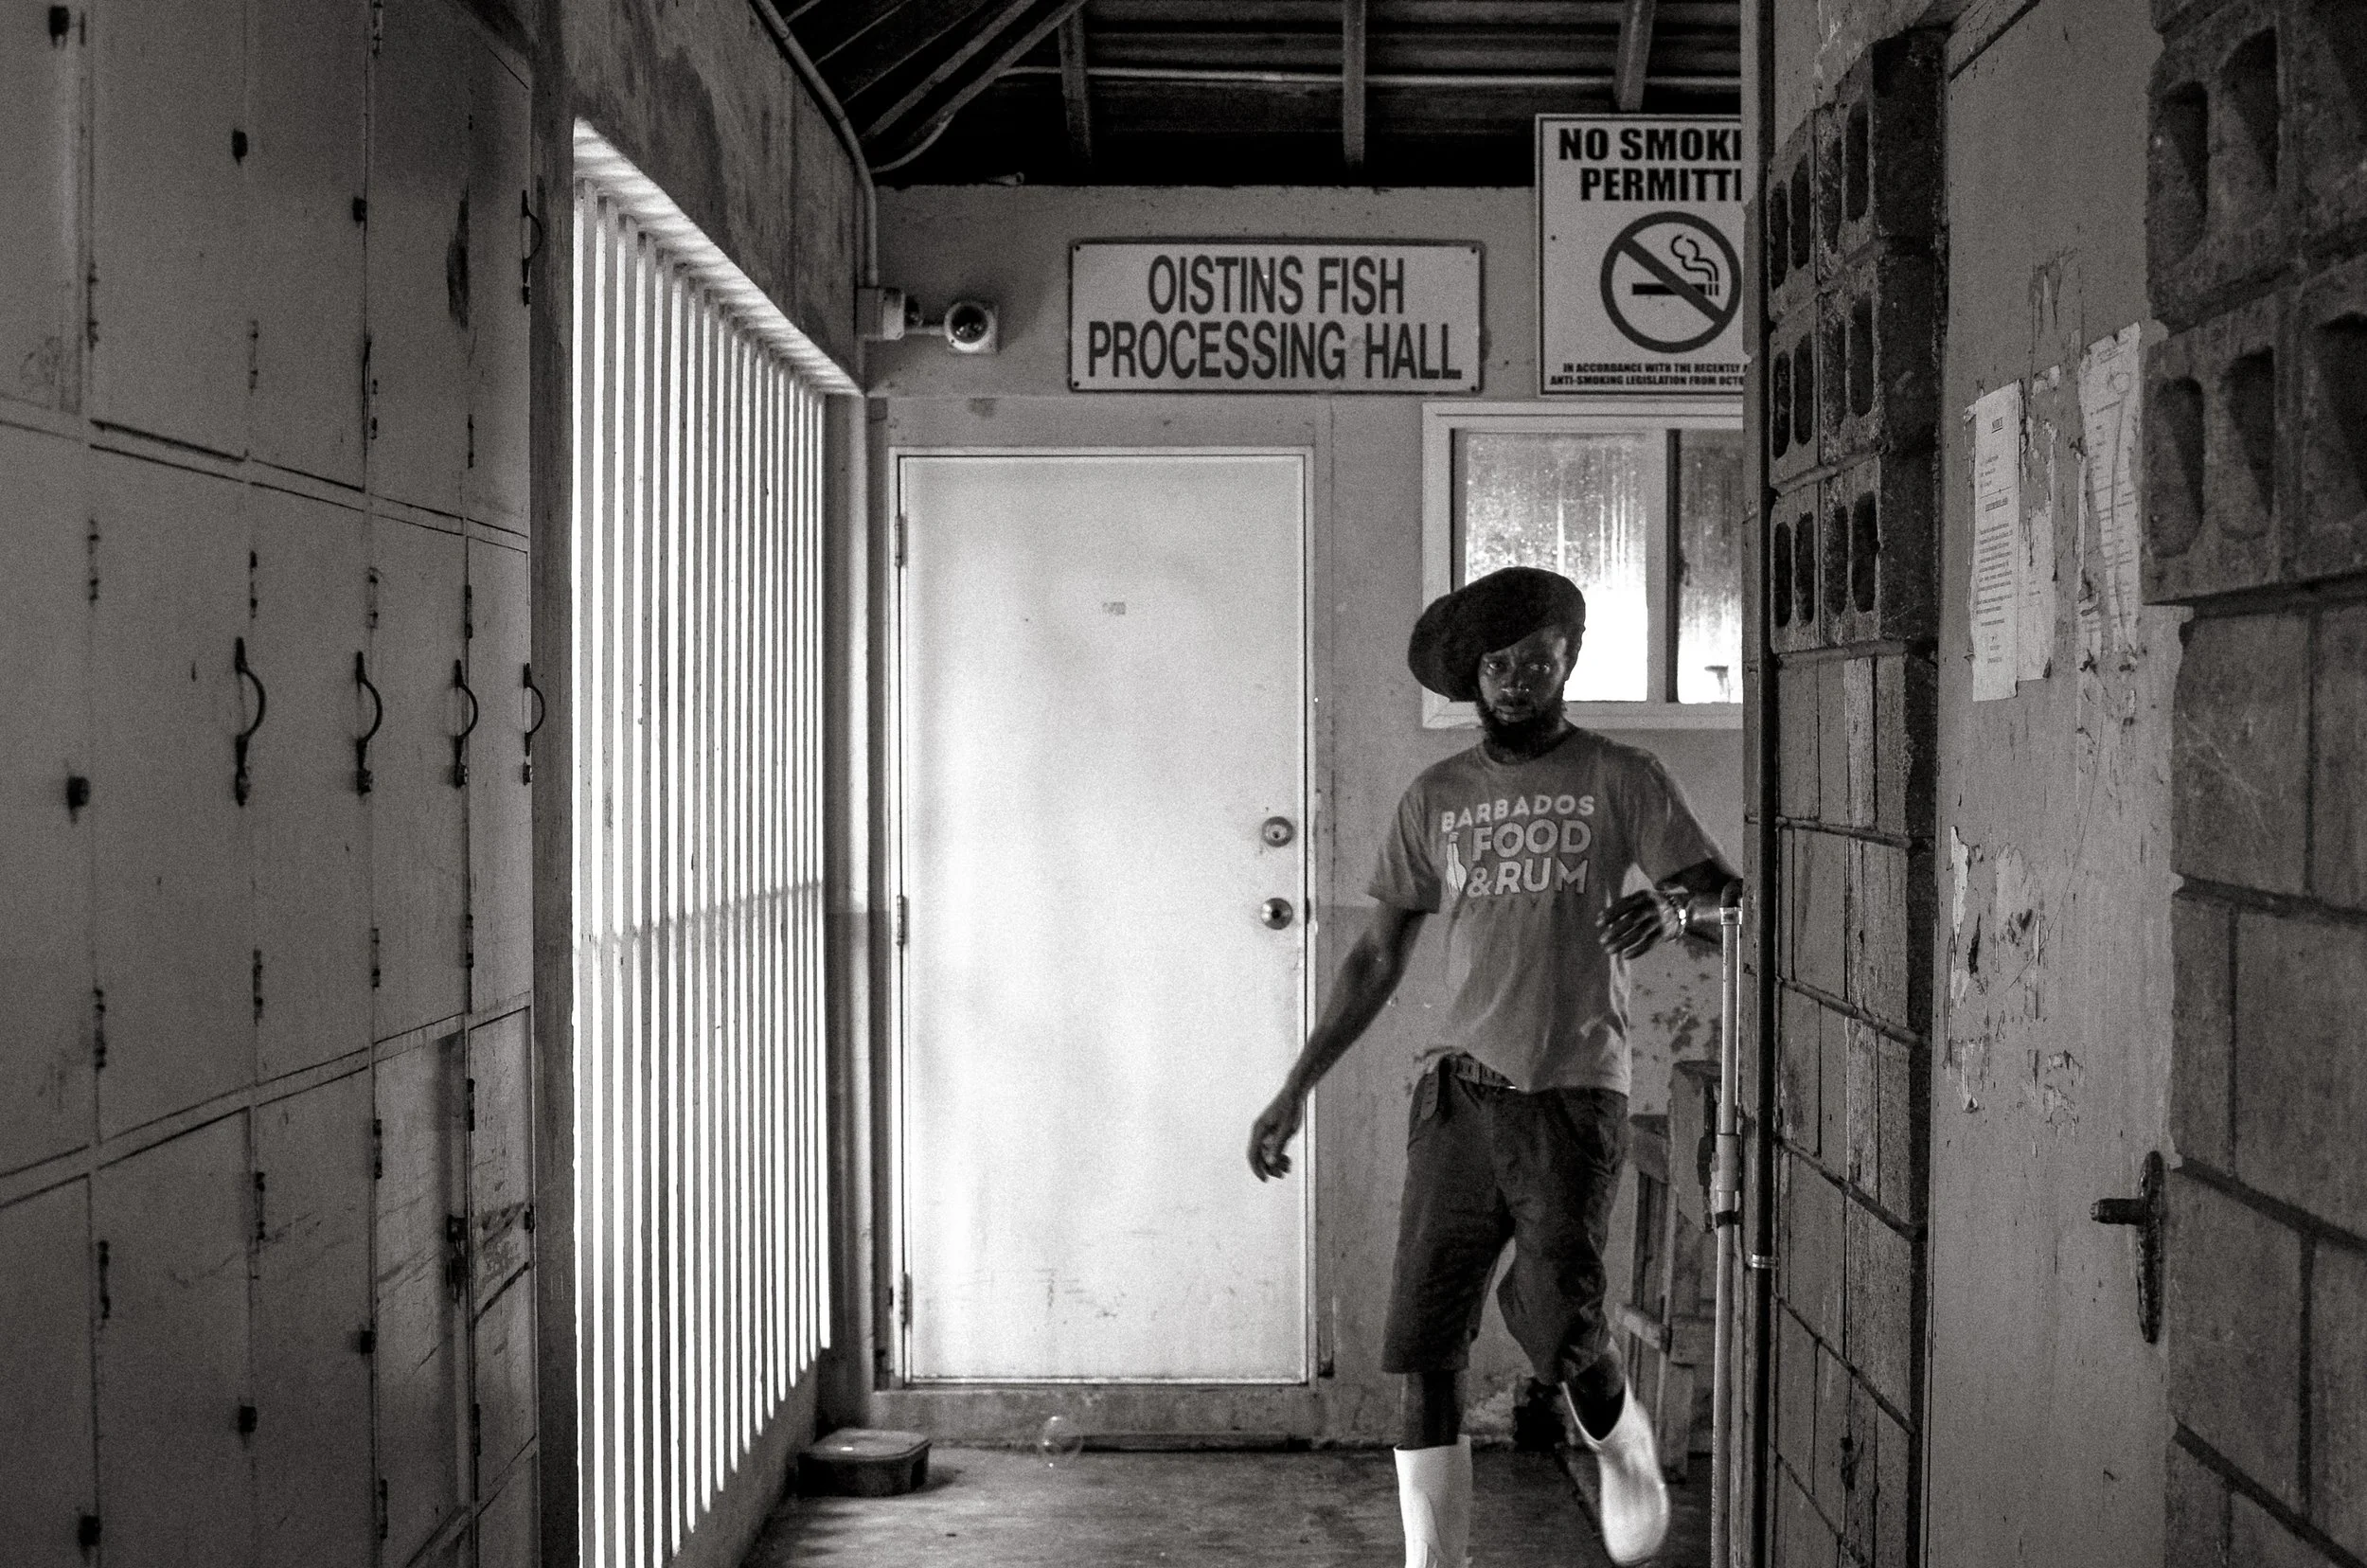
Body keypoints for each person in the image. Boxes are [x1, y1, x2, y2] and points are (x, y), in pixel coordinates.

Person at [1248, 566, 1737, 1568]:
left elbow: (1729, 898)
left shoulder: (1620, 776)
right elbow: (1376, 954)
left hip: (1570, 1092)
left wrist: (1675, 910)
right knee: (1425, 1344)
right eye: (1499, 663)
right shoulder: (1436, 797)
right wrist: (1295, 1087)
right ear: (1472, 675)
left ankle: (1620, 1437)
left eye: (1538, 660)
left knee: (1558, 1323)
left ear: (1569, 663)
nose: (1517, 679)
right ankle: (1438, 1561)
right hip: (1459, 1098)